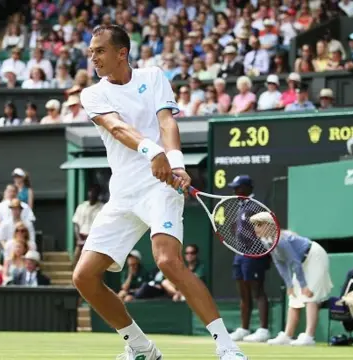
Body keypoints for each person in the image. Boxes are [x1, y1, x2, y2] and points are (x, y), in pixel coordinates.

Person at [74, 25, 246, 360]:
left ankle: (227, 347)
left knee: (167, 261)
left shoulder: (153, 76)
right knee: (84, 278)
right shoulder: (92, 93)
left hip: (160, 187)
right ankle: (141, 347)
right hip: (123, 194)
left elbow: (167, 121)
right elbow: (117, 127)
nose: (92, 57)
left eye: (99, 51)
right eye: (91, 51)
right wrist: (153, 153)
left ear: (121, 53)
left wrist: (175, 162)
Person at [249, 212, 333, 346]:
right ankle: (287, 335)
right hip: (301, 262)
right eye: (254, 225)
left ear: (269, 226)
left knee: (310, 295)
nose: (255, 229)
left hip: (314, 256)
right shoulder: (266, 241)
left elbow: (294, 262)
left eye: (259, 225)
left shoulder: (281, 240)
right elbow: (279, 263)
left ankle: (309, 337)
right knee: (294, 298)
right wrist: (289, 284)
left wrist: (303, 285)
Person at [227, 175, 271, 343]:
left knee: (257, 291)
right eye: (234, 188)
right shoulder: (241, 207)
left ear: (247, 188)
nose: (235, 191)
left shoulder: (256, 206)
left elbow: (266, 231)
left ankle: (263, 330)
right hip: (240, 254)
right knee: (243, 294)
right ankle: (244, 329)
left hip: (255, 254)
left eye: (238, 188)